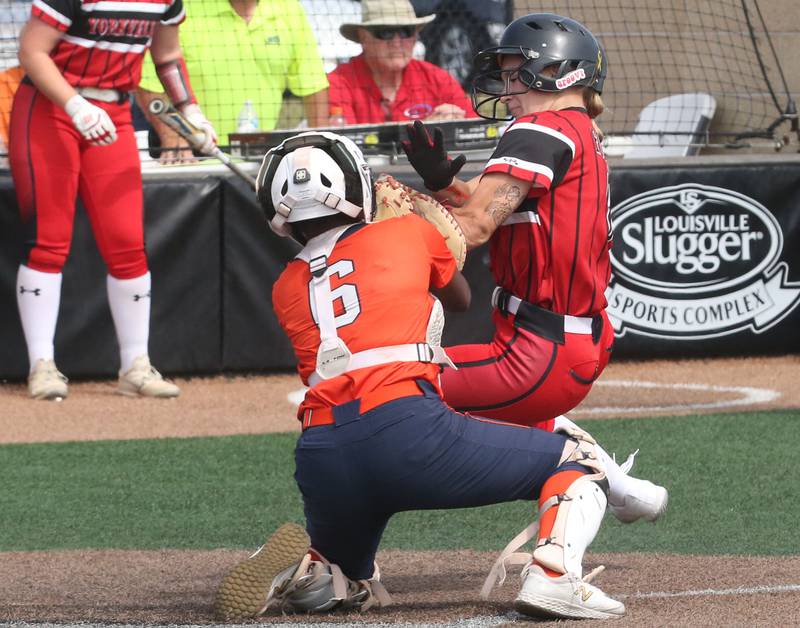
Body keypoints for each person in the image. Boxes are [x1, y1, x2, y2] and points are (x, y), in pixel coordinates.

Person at [212, 130, 626, 622]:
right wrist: (414, 217)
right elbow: (460, 299)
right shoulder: (403, 232)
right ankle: (555, 578)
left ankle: (313, 575)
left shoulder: (285, 286)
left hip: (322, 452)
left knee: (350, 583)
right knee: (582, 464)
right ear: (356, 188)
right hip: (408, 430)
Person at [400, 13, 669, 523]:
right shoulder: (574, 128)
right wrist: (443, 186)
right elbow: (506, 214)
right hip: (559, 341)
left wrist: (390, 239)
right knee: (521, 417)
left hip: (539, 350)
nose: (507, 88)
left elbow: (477, 227)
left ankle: (561, 557)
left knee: (393, 391)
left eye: (517, 72)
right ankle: (621, 485)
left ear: (560, 72)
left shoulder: (539, 129)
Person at [9, 0, 217, 400]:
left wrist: (191, 111)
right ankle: (41, 366)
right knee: (48, 241)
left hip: (115, 110)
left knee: (127, 243)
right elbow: (32, 52)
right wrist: (75, 105)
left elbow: (168, 56)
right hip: (51, 108)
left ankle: (135, 365)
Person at [136, 0, 329, 163]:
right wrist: (172, 138)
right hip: (194, 158)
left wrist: (321, 148)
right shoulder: (183, 7)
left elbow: (314, 84)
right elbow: (146, 82)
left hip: (265, 159)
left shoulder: (288, 8)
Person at [327, 0, 477, 125]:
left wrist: (458, 122)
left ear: (415, 36)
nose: (397, 42)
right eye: (385, 32)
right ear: (363, 37)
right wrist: (425, 130)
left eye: (406, 31)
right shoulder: (339, 82)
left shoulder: (437, 79)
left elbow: (476, 127)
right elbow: (343, 145)